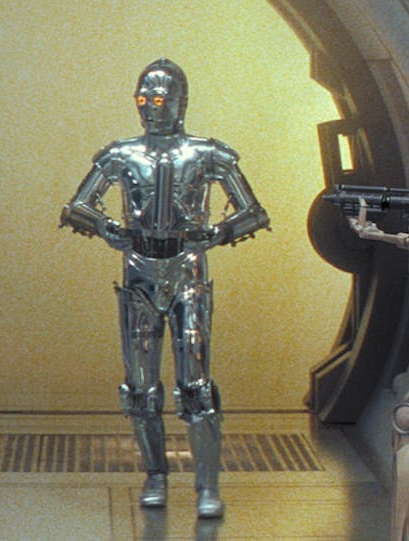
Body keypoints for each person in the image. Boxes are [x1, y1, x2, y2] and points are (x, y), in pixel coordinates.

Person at [60, 58, 269, 518]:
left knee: (195, 385)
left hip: (187, 272)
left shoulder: (207, 154)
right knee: (140, 387)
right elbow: (77, 206)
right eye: (143, 98)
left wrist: (216, 233)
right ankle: (155, 475)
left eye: (160, 98)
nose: (151, 108)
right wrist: (108, 228)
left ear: (180, 102)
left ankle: (207, 486)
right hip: (139, 272)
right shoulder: (121, 155)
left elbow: (253, 211)